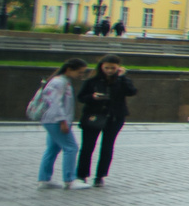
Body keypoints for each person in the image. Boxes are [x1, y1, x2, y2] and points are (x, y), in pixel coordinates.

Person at [75, 58, 137, 187]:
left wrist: (122, 77)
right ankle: (82, 175)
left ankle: (100, 176)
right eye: (106, 68)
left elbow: (132, 91)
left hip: (114, 118)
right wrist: (92, 97)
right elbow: (81, 97)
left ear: (118, 68)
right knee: (87, 147)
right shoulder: (92, 81)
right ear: (101, 67)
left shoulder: (121, 80)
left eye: (113, 68)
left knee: (107, 147)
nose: (109, 71)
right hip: (94, 116)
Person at [29, 60, 86, 189]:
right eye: (80, 72)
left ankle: (44, 179)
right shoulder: (59, 82)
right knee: (71, 148)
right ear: (69, 69)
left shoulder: (62, 81)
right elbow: (55, 103)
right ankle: (69, 180)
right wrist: (63, 121)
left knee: (53, 149)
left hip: (53, 120)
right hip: (55, 120)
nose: (81, 75)